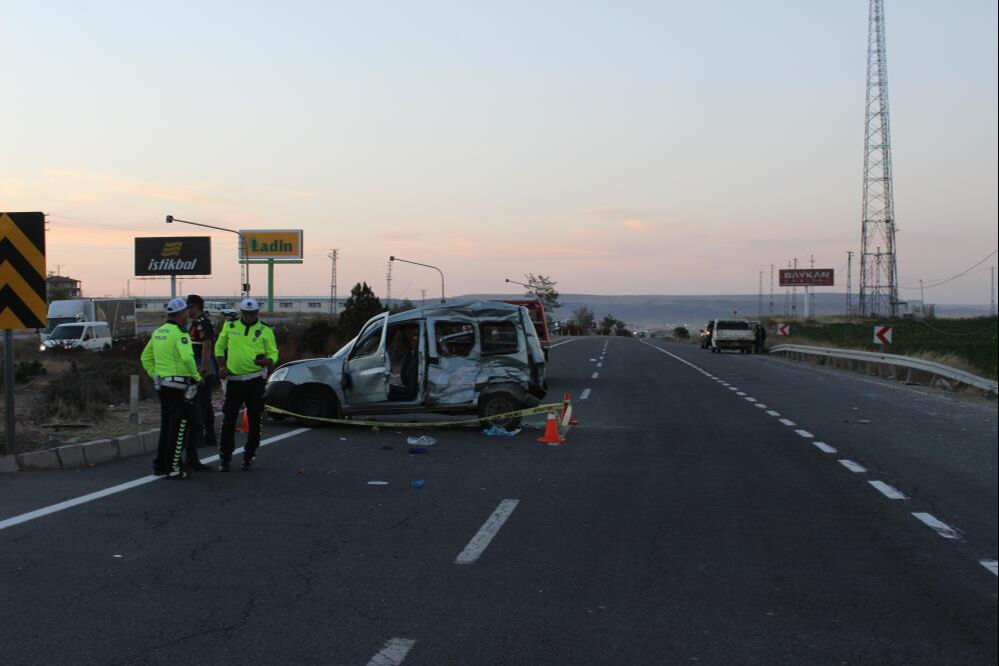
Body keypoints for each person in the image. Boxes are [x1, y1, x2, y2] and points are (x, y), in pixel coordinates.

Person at [140, 297, 202, 480]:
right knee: (180, 426)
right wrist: (198, 377)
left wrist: (156, 375)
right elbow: (188, 358)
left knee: (167, 426)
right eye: (186, 313)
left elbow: (145, 358)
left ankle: (161, 464)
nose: (188, 316)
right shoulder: (180, 334)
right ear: (181, 314)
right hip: (179, 387)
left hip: (163, 386)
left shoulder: (158, 332)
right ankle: (174, 468)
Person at [214, 297, 279, 471]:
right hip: (234, 381)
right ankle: (225, 457)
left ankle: (249, 455)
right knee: (229, 419)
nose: (249, 317)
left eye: (252, 314)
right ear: (241, 312)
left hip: (255, 381)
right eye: (246, 313)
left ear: (257, 313)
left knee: (255, 419)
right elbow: (219, 347)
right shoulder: (230, 326)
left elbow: (274, 353)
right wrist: (221, 366)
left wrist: (267, 361)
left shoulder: (265, 330)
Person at [184, 294, 216, 471]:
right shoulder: (196, 323)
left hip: (202, 368)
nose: (187, 310)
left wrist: (202, 370)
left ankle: (203, 437)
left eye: (189, 307)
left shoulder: (202, 322)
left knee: (200, 405)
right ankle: (208, 435)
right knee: (204, 404)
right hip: (199, 367)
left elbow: (207, 346)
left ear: (195, 306)